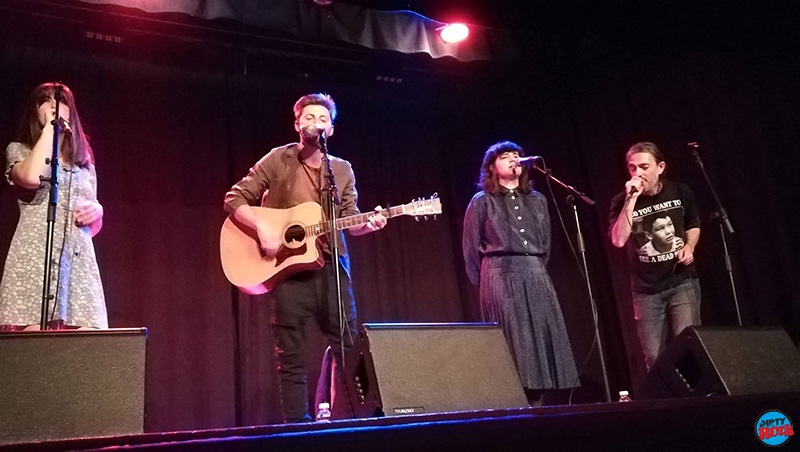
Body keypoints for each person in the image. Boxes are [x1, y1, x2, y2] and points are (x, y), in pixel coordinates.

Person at [223, 93, 387, 423]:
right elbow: (234, 198)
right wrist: (263, 228)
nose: (316, 123)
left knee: (350, 351)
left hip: (332, 270)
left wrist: (368, 225)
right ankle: (297, 431)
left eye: (323, 119)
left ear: (332, 128)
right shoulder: (278, 159)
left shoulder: (341, 170)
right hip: (288, 273)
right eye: (309, 118)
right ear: (297, 124)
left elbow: (350, 220)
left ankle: (358, 424)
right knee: (292, 359)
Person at [462, 140, 579, 406]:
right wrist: (488, 286)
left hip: (535, 273)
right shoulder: (482, 202)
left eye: (517, 155)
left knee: (541, 341)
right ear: (492, 166)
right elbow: (470, 252)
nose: (514, 160)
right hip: (499, 276)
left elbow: (545, 245)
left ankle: (540, 411)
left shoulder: (538, 201)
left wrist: (534, 271)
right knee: (516, 346)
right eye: (506, 156)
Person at [1, 82, 107, 330]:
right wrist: (52, 129)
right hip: (35, 256)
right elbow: (29, 177)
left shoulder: (84, 163)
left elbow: (92, 228)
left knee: (87, 347)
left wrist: (98, 212)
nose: (53, 105)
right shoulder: (19, 150)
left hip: (78, 262)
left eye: (61, 101)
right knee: (38, 347)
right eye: (45, 100)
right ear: (35, 111)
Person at [609, 141, 701, 370]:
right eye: (632, 168)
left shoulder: (680, 191)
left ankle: (697, 403)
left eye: (643, 166)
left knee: (690, 347)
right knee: (653, 355)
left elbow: (693, 224)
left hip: (682, 282)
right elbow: (618, 240)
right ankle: (665, 404)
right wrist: (631, 199)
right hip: (646, 290)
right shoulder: (621, 201)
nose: (638, 173)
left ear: (660, 167)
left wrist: (690, 246)